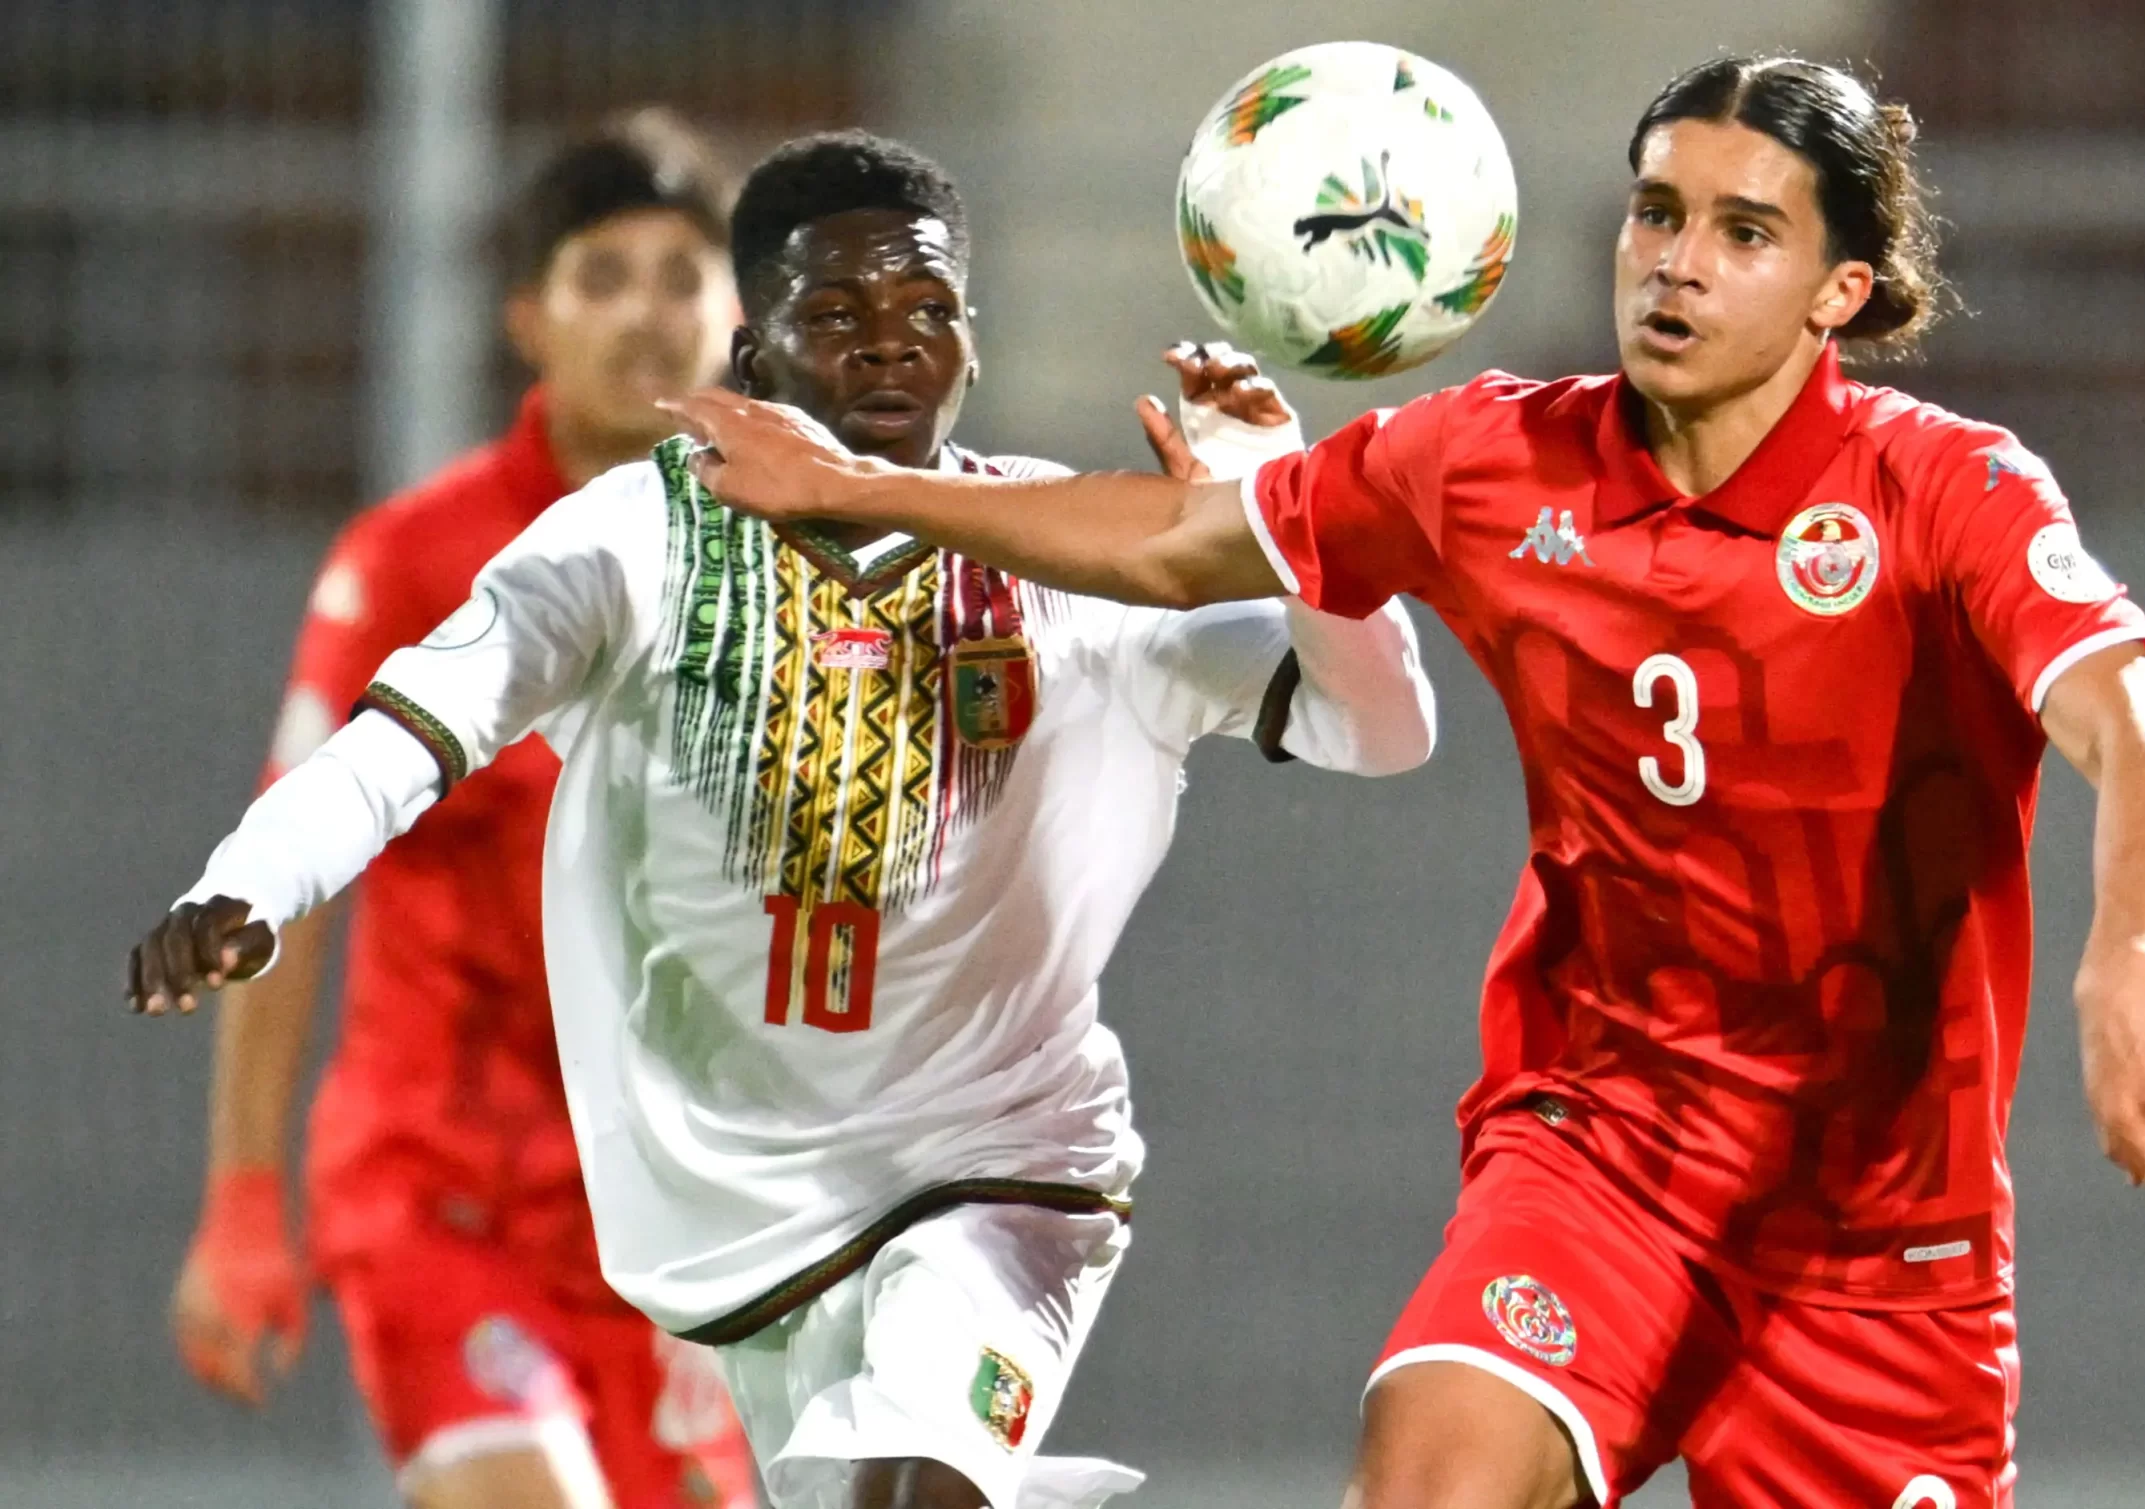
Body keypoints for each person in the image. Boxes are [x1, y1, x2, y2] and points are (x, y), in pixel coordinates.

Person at [657, 58, 2145, 1509]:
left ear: (1842, 290)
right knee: (1432, 1474)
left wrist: (2129, 965)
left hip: (1879, 1247)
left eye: (1744, 232)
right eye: (1657, 211)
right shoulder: (1491, 461)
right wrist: (868, 490)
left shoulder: (1944, 489)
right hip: (1602, 1160)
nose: (1676, 262)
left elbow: (2132, 727)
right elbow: (1175, 541)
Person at [128, 129, 1436, 1509]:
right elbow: (403, 738)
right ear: (753, 354)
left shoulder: (1076, 561)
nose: (889, 343)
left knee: (913, 1486)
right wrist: (251, 882)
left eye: (925, 309)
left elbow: (1381, 727)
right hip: (726, 1215)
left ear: (972, 347)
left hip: (1002, 1173)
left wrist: (1293, 520)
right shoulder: (630, 540)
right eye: (837, 313)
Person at [166, 112, 756, 1509]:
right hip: (444, 1203)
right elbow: (289, 877)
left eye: (683, 275)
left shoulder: (790, 571)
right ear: (528, 320)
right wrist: (243, 1195)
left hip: (667, 1239)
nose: (649, 314)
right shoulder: (419, 564)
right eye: (602, 276)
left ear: (741, 315)